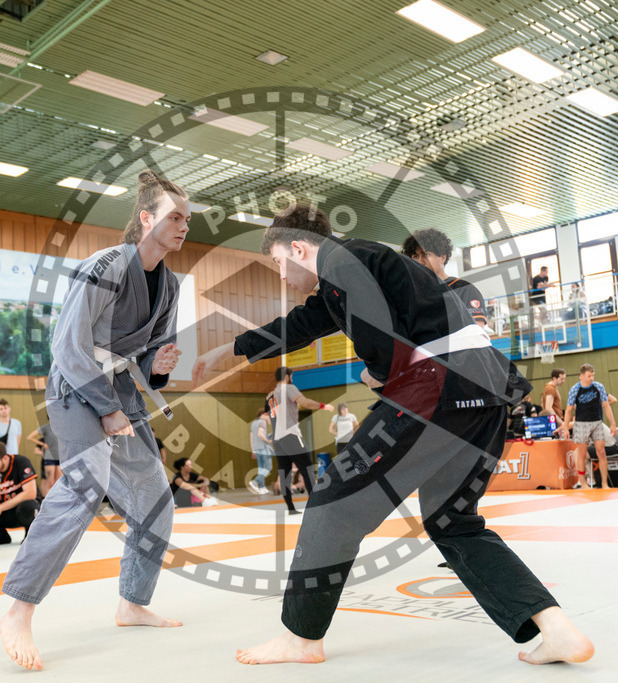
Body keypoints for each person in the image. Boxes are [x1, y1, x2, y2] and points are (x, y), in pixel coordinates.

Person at [193, 204, 593, 667]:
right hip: (485, 389)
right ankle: (554, 628)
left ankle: (301, 638)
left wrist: (382, 372)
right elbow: (300, 326)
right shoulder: (352, 271)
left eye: (280, 263)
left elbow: (378, 327)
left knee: (333, 504)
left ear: (299, 248)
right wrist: (232, 348)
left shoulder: (345, 261)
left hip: (436, 387)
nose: (281, 276)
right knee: (453, 521)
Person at [0, 170, 188, 671]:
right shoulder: (104, 266)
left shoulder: (169, 284)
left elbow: (144, 357)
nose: (184, 226)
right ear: (146, 218)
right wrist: (106, 410)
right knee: (85, 484)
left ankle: (132, 601)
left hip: (120, 392)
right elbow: (68, 347)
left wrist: (157, 368)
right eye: (174, 217)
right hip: (76, 388)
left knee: (155, 501)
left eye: (187, 219)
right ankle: (19, 608)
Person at [266, 366, 334, 515]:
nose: (292, 379)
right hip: (290, 434)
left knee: (284, 472)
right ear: (287, 377)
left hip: (277, 439)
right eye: (291, 376)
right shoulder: (289, 388)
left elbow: (269, 416)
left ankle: (290, 508)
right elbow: (306, 403)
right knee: (307, 469)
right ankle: (315, 506)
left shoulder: (270, 395)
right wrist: (323, 406)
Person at [400, 228, 487, 327]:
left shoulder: (464, 289)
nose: (420, 261)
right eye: (415, 256)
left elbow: (475, 332)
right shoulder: (413, 295)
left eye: (426, 254)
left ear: (442, 257)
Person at [561, 364, 617, 489]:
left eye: (593, 375)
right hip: (581, 423)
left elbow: (607, 406)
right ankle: (583, 483)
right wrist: (565, 428)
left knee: (601, 452)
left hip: (597, 422)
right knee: (581, 454)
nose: (591, 378)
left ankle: (604, 483)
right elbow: (569, 410)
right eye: (588, 376)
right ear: (581, 376)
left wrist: (613, 424)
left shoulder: (599, 387)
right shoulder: (575, 389)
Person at [27, 421, 61, 498]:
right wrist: (43, 444)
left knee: (59, 484)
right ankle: (49, 502)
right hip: (49, 458)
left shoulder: (62, 428)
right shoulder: (46, 427)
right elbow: (30, 437)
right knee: (50, 484)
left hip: (59, 458)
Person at [249, 408, 273, 495]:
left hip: (256, 448)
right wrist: (268, 441)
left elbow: (251, 437)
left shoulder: (253, 423)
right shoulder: (262, 422)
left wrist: (253, 450)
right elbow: (260, 434)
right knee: (268, 467)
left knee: (261, 469)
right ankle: (255, 481)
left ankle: (262, 488)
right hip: (263, 447)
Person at [540, 369, 567, 434]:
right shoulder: (550, 389)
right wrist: (560, 422)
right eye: (561, 379)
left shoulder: (553, 388)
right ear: (554, 378)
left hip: (554, 419)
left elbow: (543, 404)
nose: (563, 381)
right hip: (554, 421)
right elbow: (548, 408)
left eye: (564, 379)